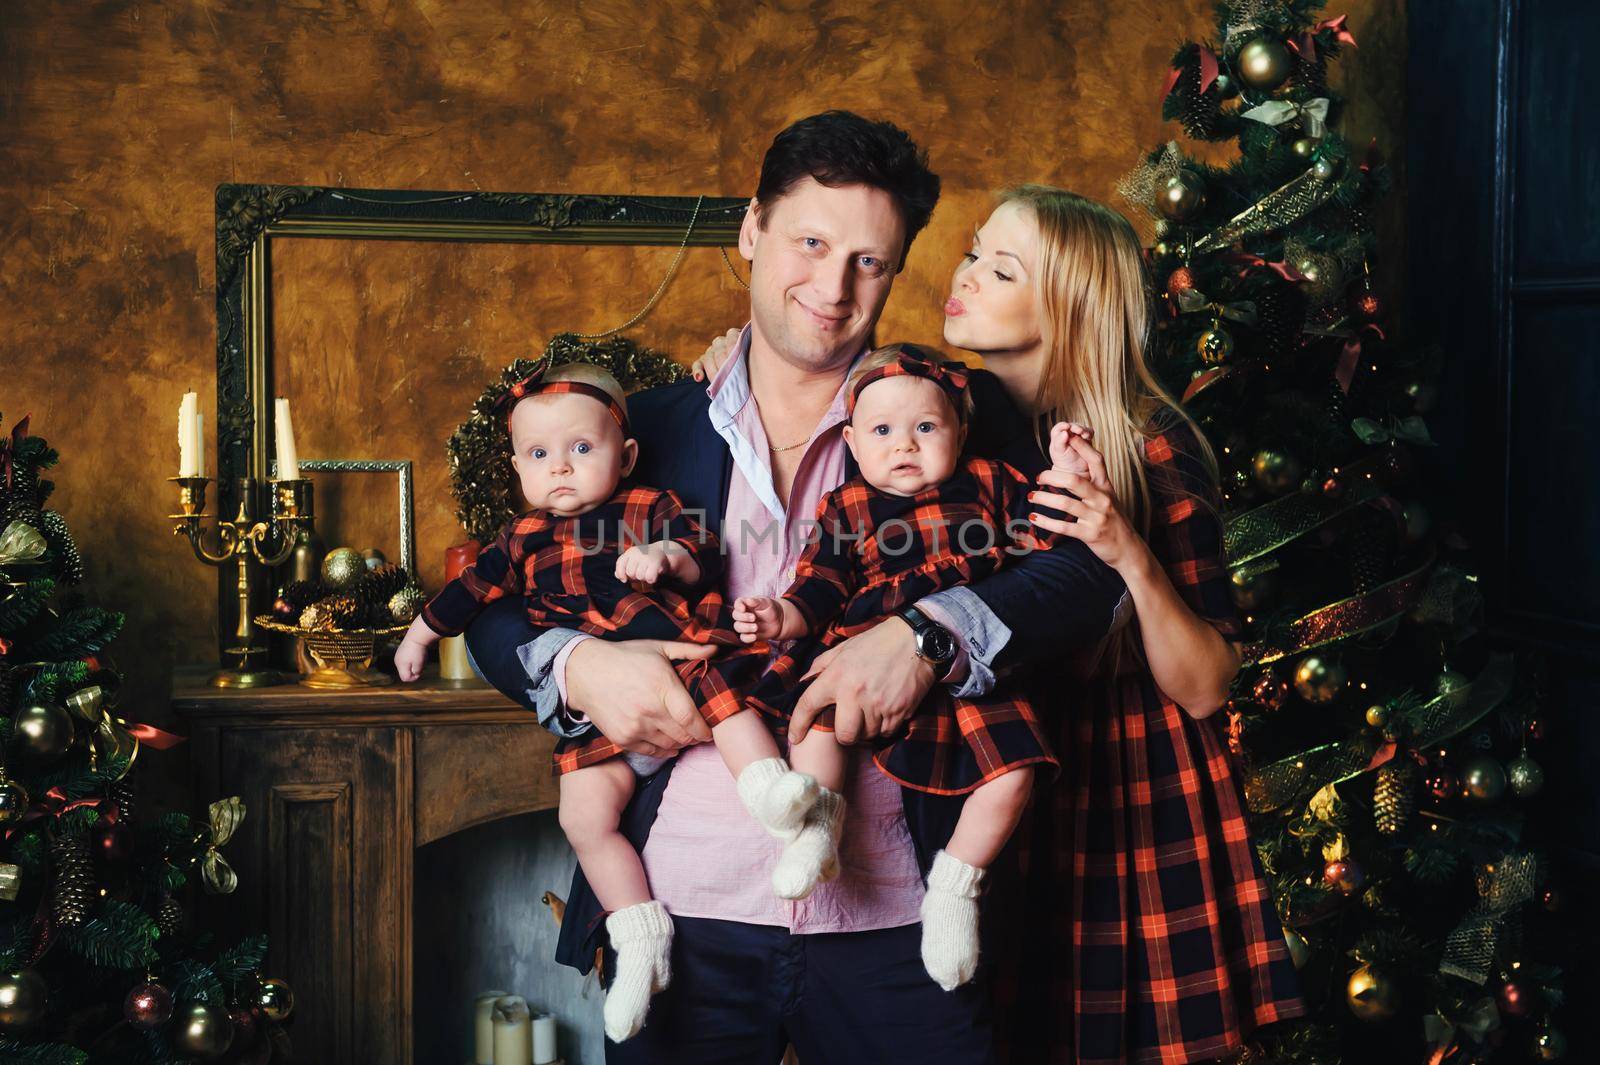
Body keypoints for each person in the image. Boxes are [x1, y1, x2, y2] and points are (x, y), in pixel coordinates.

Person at [465, 113, 1128, 1063]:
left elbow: (1082, 569)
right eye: (810, 243)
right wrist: (576, 669)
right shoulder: (635, 425)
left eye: (870, 260)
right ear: (750, 231)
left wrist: (927, 634)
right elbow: (496, 593)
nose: (833, 286)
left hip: (903, 918)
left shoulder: (941, 418)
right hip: (679, 911)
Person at [695, 185, 1306, 1062]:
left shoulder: (1145, 439)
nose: (964, 274)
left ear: (1067, 305)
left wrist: (1125, 550)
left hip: (1127, 779)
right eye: (975, 250)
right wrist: (733, 357)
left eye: (1001, 268)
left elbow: (1211, 681)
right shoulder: (961, 428)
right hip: (999, 768)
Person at [391, 361, 826, 1042]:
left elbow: (701, 550)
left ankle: (780, 801)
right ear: (516, 466)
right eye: (539, 455)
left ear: (623, 457)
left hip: (677, 658)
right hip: (604, 714)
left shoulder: (645, 506)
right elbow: (469, 595)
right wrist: (420, 633)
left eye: (581, 449)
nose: (560, 468)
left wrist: (661, 558)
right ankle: (638, 930)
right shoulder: (519, 539)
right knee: (583, 815)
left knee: (730, 708)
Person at [730, 343, 1085, 991]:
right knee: (816, 721)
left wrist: (1064, 471)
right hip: (862, 644)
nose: (905, 446)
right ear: (853, 442)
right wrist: (783, 617)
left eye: (926, 427)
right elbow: (821, 585)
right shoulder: (845, 506)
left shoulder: (986, 481)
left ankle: (954, 887)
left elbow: (1048, 537)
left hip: (964, 662)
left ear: (959, 431)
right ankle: (817, 827)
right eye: (883, 431)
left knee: (1015, 774)